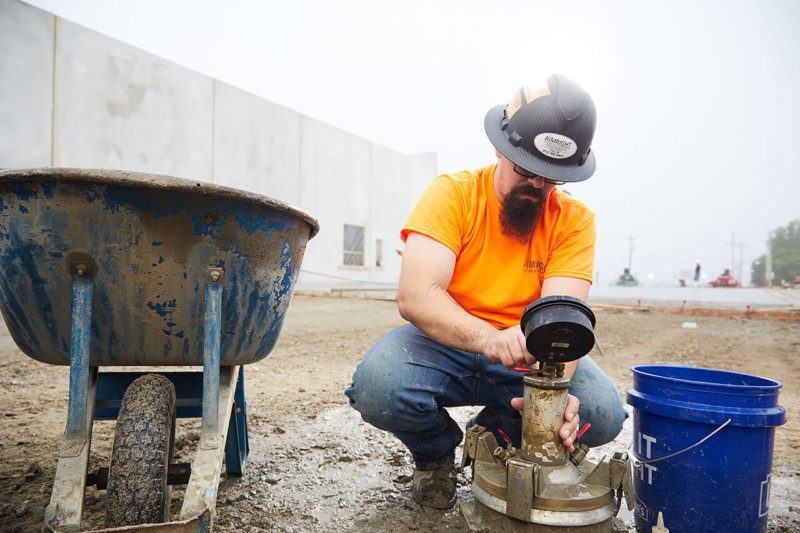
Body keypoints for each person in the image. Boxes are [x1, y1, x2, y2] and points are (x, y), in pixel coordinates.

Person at [345, 75, 626, 510]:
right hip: (446, 340)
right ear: (500, 148)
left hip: (529, 353)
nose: (536, 186)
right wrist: (490, 338)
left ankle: (492, 439)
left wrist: (556, 398)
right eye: (525, 171)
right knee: (379, 386)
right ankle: (436, 454)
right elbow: (417, 296)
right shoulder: (452, 194)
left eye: (550, 178)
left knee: (602, 413)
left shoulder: (574, 220)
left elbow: (564, 322)